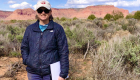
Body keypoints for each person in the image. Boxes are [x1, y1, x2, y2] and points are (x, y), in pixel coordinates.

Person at [21, 0, 69, 80]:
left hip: (51, 73)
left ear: (50, 12)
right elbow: (24, 47)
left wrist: (63, 73)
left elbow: (63, 51)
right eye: (40, 10)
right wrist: (27, 60)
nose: (43, 13)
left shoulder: (57, 28)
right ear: (36, 12)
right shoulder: (30, 29)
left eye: (46, 10)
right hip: (33, 72)